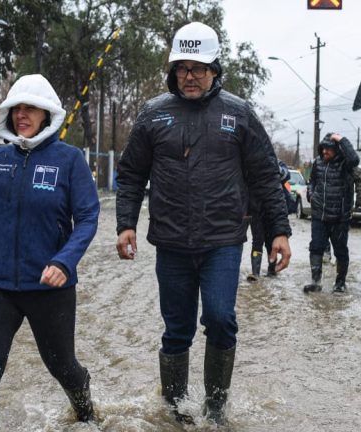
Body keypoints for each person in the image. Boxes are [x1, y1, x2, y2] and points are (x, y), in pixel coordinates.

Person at [115, 22, 292, 425]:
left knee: (219, 316)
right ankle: (176, 411)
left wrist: (279, 230)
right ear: (173, 71)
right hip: (172, 241)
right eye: (182, 68)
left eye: (198, 67)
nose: (190, 76)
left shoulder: (239, 113)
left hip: (223, 241)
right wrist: (125, 223)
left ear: (215, 69)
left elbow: (266, 175)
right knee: (176, 329)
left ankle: (215, 408)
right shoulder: (153, 114)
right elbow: (130, 174)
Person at [0, 75, 100, 429]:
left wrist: (65, 261)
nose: (22, 115)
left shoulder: (69, 159)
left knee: (63, 366)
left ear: (47, 114)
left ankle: (85, 409)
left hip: (50, 288)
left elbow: (90, 216)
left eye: (31, 108)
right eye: (16, 109)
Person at [303, 132, 360, 294]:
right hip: (319, 215)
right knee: (316, 247)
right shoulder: (318, 163)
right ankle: (315, 281)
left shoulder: (345, 164)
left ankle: (340, 283)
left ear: (337, 150)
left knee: (340, 250)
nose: (325, 152)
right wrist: (311, 194)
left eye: (329, 149)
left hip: (340, 217)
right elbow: (312, 181)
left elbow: (355, 159)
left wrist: (342, 139)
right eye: (323, 149)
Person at [247, 160, 294, 281]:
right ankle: (255, 273)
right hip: (255, 210)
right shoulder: (252, 163)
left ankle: (272, 270)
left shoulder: (278, 164)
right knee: (257, 240)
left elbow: (285, 175)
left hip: (272, 211)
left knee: (270, 241)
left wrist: (270, 167)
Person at [326, 165, 361, 259]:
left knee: (341, 236)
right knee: (324, 230)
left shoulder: (349, 161)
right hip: (326, 205)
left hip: (344, 207)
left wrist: (360, 196)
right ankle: (326, 252)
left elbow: (359, 179)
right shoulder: (324, 159)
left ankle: (340, 260)